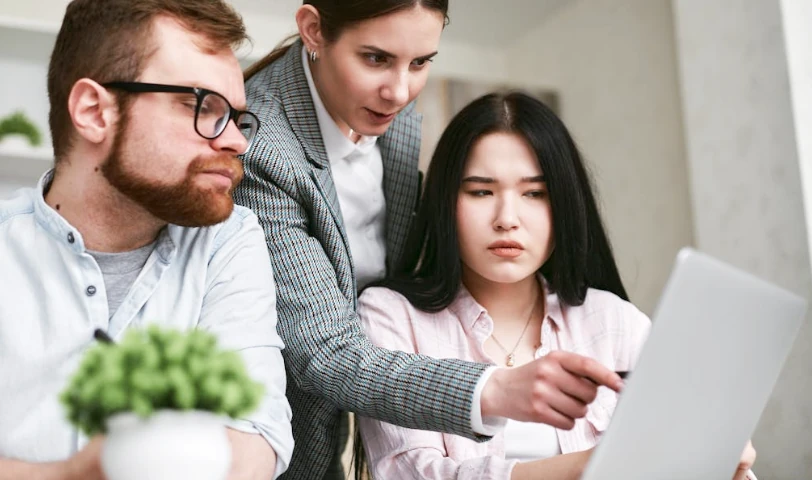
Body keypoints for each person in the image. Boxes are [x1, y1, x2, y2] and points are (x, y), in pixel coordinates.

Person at [234, 1, 627, 478]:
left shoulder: (383, 101)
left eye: (421, 62)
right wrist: (494, 389)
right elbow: (326, 352)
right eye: (376, 58)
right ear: (313, 30)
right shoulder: (261, 147)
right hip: (272, 445)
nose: (400, 92)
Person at [356, 91, 757, 480]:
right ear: (445, 201)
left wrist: (726, 467)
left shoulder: (615, 323)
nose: (507, 218)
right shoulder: (391, 316)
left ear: (563, 204)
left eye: (534, 193)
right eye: (481, 191)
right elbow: (407, 472)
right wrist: (592, 467)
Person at [0, 0, 293, 478]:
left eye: (237, 118)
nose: (237, 142)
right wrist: (72, 473)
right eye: (203, 106)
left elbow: (254, 441)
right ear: (95, 112)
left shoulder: (229, 242)